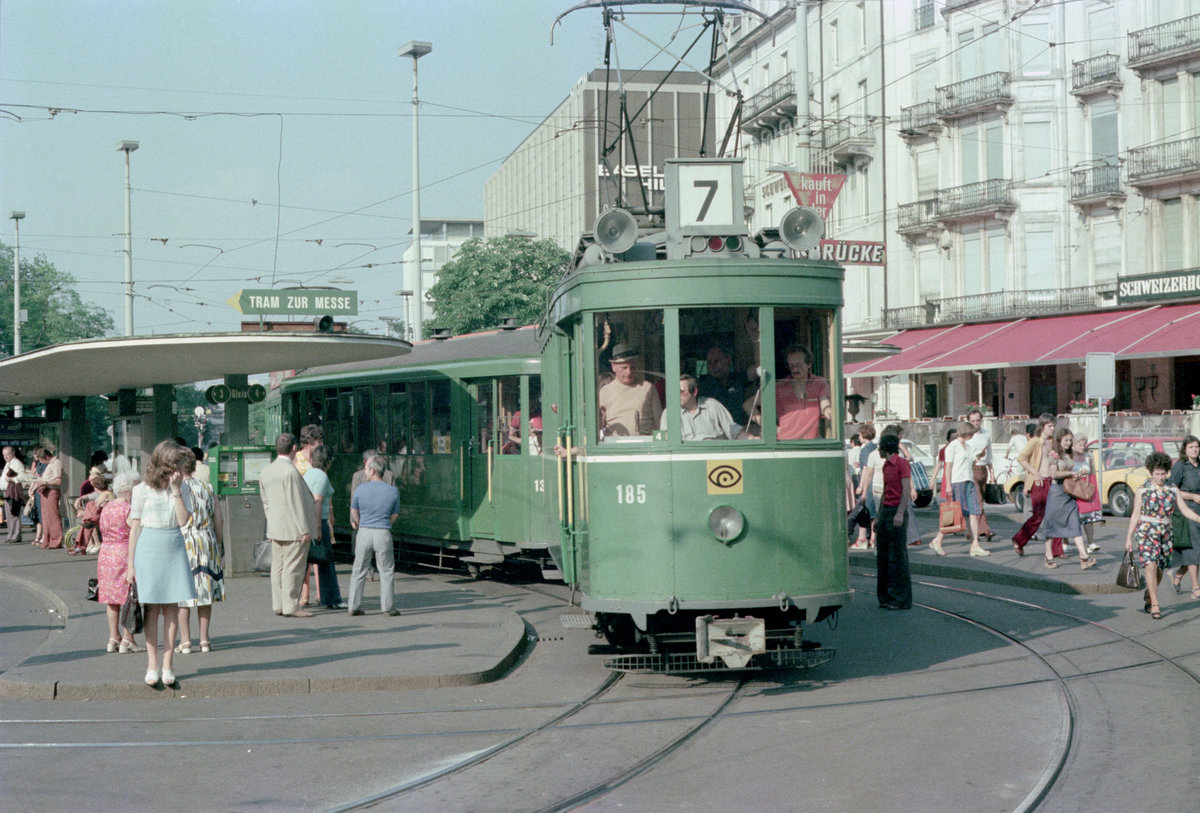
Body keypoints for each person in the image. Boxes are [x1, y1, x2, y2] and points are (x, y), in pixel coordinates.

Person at [126, 440, 198, 687]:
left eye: (181, 463)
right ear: (164, 463)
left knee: (171, 608)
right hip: (148, 547)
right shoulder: (141, 490)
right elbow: (135, 527)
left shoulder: (182, 487)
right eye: (176, 463)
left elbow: (183, 520)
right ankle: (152, 664)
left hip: (173, 546)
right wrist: (130, 564)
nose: (180, 468)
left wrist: (176, 490)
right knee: (151, 609)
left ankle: (168, 665)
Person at [1125, 451, 1200, 620]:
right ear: (1151, 472)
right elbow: (1135, 514)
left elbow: (1185, 510)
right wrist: (1128, 537)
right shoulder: (1143, 490)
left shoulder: (1172, 490)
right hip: (1146, 532)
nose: (1160, 477)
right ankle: (1155, 604)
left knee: (1159, 569)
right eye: (1157, 474)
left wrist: (1198, 519)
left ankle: (1150, 593)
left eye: (1163, 474)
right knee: (1150, 566)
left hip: (1166, 533)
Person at [259, 433, 318, 618]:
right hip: (294, 529)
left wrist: (272, 521)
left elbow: (265, 501)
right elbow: (296, 502)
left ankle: (278, 604)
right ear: (294, 448)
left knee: (277, 567)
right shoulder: (290, 472)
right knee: (293, 568)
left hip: (276, 527)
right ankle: (291, 606)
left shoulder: (266, 471)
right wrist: (305, 529)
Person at [176, 450, 225, 654]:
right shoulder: (208, 488)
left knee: (183, 594)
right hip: (207, 540)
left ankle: (186, 640)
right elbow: (219, 520)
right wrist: (218, 545)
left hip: (185, 540)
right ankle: (204, 639)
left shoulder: (177, 490)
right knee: (205, 593)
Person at [348, 455, 401, 616]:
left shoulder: (361, 489)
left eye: (366, 469)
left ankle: (353, 606)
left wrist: (360, 522)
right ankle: (387, 607)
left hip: (364, 532)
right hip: (383, 533)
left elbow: (354, 510)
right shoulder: (392, 491)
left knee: (359, 570)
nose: (365, 472)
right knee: (386, 571)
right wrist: (385, 523)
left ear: (372, 471)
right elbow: (395, 515)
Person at [96, 473, 143, 654]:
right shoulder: (128, 508)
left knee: (111, 599)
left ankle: (113, 638)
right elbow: (135, 529)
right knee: (128, 597)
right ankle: (127, 639)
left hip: (106, 553)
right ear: (129, 491)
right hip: (123, 552)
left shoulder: (107, 507)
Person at [1039, 428, 1098, 570]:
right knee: (1051, 526)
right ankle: (1048, 556)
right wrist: (1071, 473)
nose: (1068, 443)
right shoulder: (1054, 454)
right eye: (1066, 440)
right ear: (1059, 440)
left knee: (1074, 523)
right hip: (1057, 493)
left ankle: (1084, 557)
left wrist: (1079, 473)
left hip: (1069, 493)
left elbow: (1073, 470)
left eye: (1070, 440)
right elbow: (1053, 474)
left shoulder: (1069, 454)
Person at [303, 444, 346, 610]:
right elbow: (317, 501)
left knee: (305, 562)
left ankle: (292, 598)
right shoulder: (321, 476)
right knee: (326, 562)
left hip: (307, 521)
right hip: (318, 522)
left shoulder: (308, 473)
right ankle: (332, 598)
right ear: (327, 461)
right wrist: (319, 528)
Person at [875, 433, 912, 609]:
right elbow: (885, 491)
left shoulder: (901, 463)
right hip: (886, 511)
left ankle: (900, 598)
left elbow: (906, 489)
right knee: (883, 555)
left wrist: (900, 513)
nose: (878, 450)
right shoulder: (885, 466)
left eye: (880, 447)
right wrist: (879, 516)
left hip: (896, 510)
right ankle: (885, 596)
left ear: (885, 448)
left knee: (897, 557)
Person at [943, 421, 989, 557]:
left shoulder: (967, 447)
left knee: (974, 511)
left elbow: (970, 463)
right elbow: (948, 468)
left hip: (969, 480)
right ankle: (938, 539)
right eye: (971, 434)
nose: (972, 436)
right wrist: (948, 485)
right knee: (957, 513)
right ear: (966, 433)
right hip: (958, 481)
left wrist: (979, 456)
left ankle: (975, 545)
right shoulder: (952, 446)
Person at [1012, 416, 1057, 555]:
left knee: (1054, 516)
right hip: (1039, 482)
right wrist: (1034, 472)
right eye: (1049, 426)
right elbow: (1021, 458)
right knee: (1038, 516)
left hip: (1051, 481)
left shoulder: (1052, 442)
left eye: (1053, 426)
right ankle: (1019, 539)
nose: (1052, 429)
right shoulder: (1035, 441)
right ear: (1042, 427)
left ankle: (1057, 550)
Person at [598, 343, 662, 438]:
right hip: (615, 445)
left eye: (632, 367)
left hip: (646, 444)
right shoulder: (605, 391)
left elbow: (659, 423)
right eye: (624, 368)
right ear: (613, 367)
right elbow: (597, 425)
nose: (629, 372)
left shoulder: (648, 388)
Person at [772, 345, 831, 440]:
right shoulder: (779, 387)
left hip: (811, 443)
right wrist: (770, 427)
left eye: (798, 365)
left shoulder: (819, 383)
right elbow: (749, 404)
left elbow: (824, 401)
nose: (795, 370)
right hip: (785, 443)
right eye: (791, 366)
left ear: (809, 364)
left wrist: (828, 411)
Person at [1168, 435, 1200, 599]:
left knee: (1198, 551)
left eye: (1196, 447)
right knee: (1194, 549)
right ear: (1185, 449)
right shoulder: (1181, 466)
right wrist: (1192, 496)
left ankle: (1178, 575)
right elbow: (1172, 489)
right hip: (1188, 510)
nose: (1194, 450)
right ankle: (1195, 587)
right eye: (1191, 447)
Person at [660, 374, 737, 441]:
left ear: (694, 392)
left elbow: (734, 432)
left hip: (714, 452)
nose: (676, 395)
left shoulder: (712, 406)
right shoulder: (669, 413)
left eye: (681, 391)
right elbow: (663, 440)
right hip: (685, 453)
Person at [927, 428, 964, 555]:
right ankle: (940, 537)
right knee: (950, 509)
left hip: (959, 480)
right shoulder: (945, 450)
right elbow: (939, 465)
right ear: (948, 439)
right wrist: (932, 480)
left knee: (959, 507)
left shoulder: (960, 447)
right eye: (952, 438)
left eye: (956, 437)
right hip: (949, 482)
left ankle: (962, 531)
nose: (954, 440)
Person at [697, 346, 747, 425]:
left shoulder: (737, 378)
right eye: (710, 363)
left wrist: (756, 341)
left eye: (716, 362)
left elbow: (757, 370)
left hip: (739, 428)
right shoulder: (704, 387)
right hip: (716, 430)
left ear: (728, 360)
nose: (713, 366)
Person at [966, 408, 995, 540]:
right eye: (973, 421)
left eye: (978, 420)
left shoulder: (986, 434)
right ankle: (985, 529)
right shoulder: (966, 437)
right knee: (977, 501)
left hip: (983, 470)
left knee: (980, 500)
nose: (976, 423)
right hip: (971, 469)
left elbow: (989, 455)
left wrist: (992, 473)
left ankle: (972, 531)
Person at [69, 467, 113, 554]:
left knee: (89, 514)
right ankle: (81, 545)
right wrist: (80, 499)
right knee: (87, 521)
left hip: (105, 517)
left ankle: (81, 545)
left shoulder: (106, 495)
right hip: (97, 517)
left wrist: (84, 513)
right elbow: (89, 496)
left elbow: (100, 508)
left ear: (97, 487)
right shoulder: (100, 493)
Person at [1071, 434, 1103, 554]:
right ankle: (1066, 542)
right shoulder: (1069, 458)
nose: (1083, 447)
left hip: (1084, 488)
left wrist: (1093, 493)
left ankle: (1090, 542)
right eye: (1080, 445)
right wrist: (1077, 474)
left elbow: (1093, 474)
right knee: (1072, 518)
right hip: (1073, 489)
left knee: (1088, 517)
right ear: (1073, 445)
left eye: (1084, 444)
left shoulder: (1088, 457)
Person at [31, 443, 64, 550]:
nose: (41, 462)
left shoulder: (56, 463)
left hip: (51, 491)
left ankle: (56, 541)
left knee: (53, 517)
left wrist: (45, 482)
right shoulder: (50, 464)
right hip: (44, 491)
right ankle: (47, 540)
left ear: (46, 456)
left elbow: (58, 481)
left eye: (41, 460)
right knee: (45, 517)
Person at [2, 445, 27, 544]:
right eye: (4, 455)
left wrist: (12, 479)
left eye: (7, 454)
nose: (5, 457)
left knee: (14, 513)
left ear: (13, 453)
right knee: (9, 515)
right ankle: (10, 535)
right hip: (7, 491)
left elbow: (22, 476)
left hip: (13, 491)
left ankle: (16, 535)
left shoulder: (17, 463)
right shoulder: (8, 463)